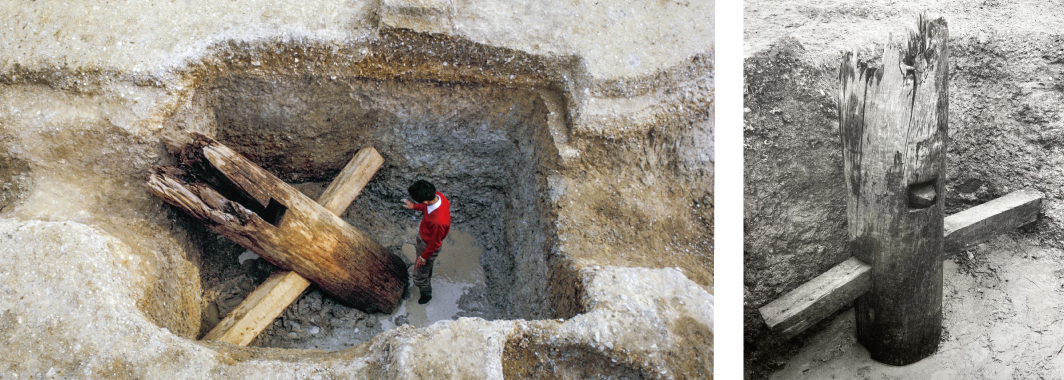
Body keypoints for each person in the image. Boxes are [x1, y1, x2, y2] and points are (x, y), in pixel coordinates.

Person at [401, 180, 451, 304]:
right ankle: (427, 271)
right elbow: (426, 207)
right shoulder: (439, 196)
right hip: (425, 237)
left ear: (425, 201)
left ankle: (426, 294)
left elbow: (435, 244)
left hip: (428, 245)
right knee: (426, 267)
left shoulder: (439, 222)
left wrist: (423, 257)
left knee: (418, 276)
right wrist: (414, 206)